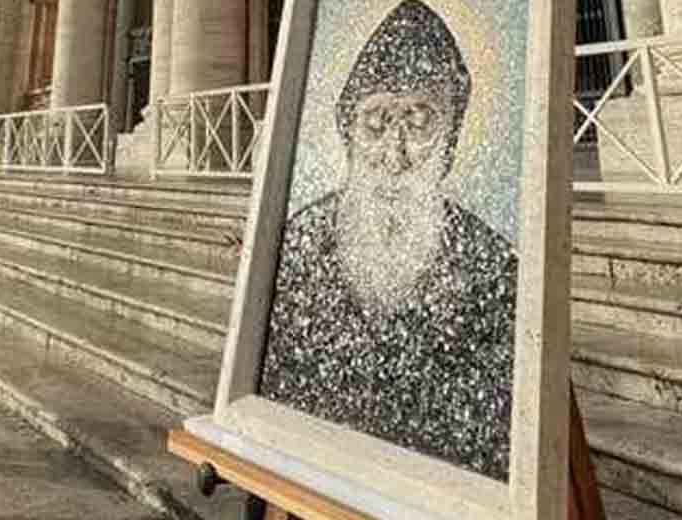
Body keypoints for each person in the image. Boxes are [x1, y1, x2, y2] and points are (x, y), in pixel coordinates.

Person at [258, 3, 604, 517]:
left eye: (419, 123)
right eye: (376, 123)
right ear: (347, 133)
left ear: (450, 141)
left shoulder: (494, 267)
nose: (394, 155)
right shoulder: (297, 245)